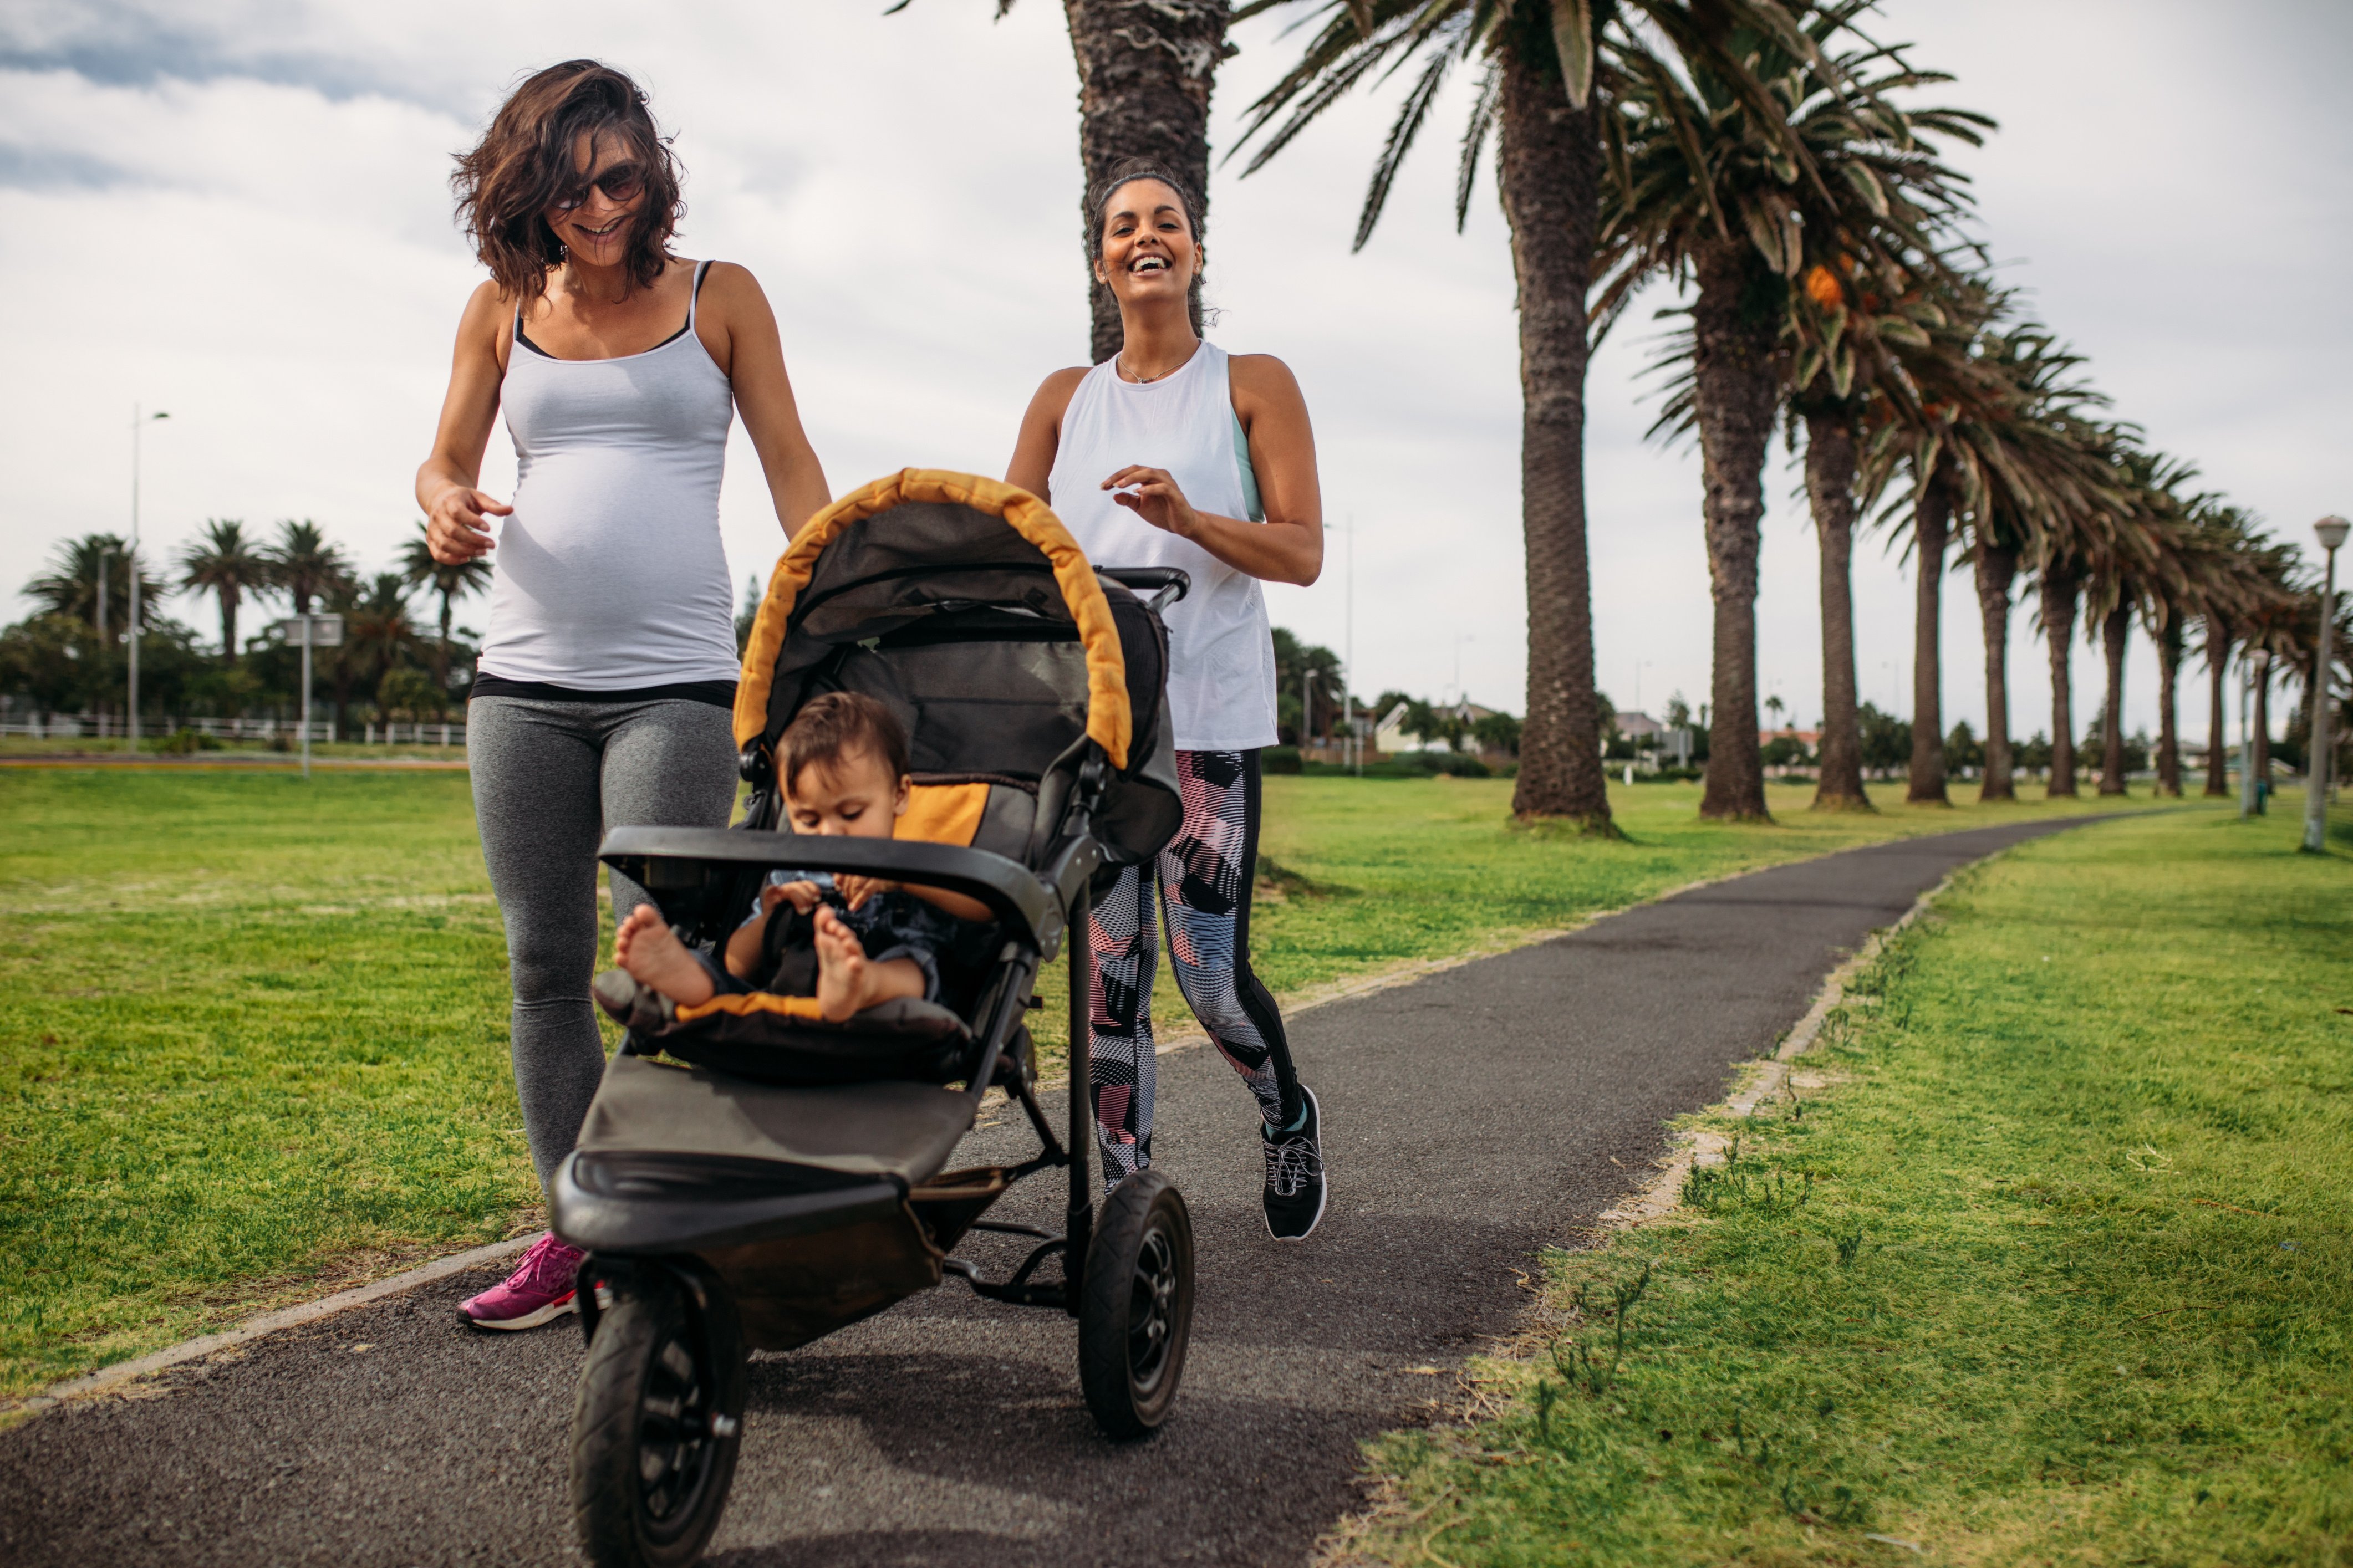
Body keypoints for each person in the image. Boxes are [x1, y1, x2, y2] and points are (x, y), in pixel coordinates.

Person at [415, 60, 831, 1330]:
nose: (599, 207)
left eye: (620, 177)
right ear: (524, 192)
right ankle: (577, 1235)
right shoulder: (499, 306)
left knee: (667, 968)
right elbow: (446, 458)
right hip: (522, 688)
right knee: (544, 967)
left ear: (652, 173)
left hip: (678, 686)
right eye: (569, 186)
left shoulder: (722, 296)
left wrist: (833, 612)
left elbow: (791, 470)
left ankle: (679, 1228)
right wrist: (438, 502)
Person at [1004, 157, 1330, 1240]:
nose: (1146, 237)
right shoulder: (1062, 398)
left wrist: (1189, 521)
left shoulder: (1252, 382)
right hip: (1096, 735)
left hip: (1207, 726)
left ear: (1194, 249)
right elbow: (1013, 544)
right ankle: (1126, 1202)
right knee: (1111, 980)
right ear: (1101, 261)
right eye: (1123, 227)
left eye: (1168, 223)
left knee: (1209, 979)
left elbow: (1300, 551)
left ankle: (1284, 1113)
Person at [610, 693, 995, 1019]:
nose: (829, 833)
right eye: (809, 819)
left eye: (851, 814)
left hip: (899, 995)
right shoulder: (790, 870)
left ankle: (862, 983)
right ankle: (692, 980)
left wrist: (902, 878)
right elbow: (740, 965)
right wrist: (771, 916)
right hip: (793, 991)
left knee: (915, 963)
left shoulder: (919, 860)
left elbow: (985, 909)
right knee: (725, 967)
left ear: (899, 795)